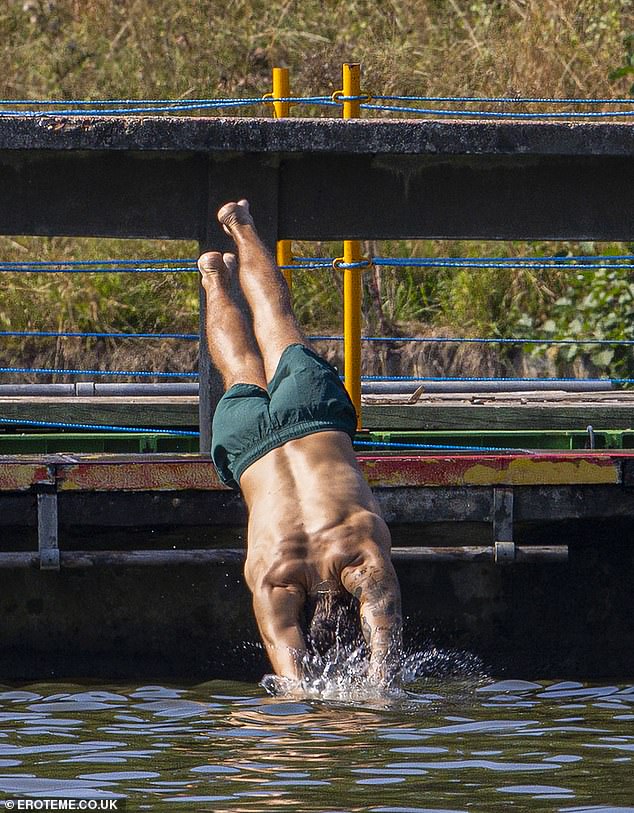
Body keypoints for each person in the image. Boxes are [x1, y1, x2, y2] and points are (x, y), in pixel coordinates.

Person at [198, 199, 402, 684]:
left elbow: (385, 647)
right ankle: (212, 278)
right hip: (249, 446)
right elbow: (292, 684)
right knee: (238, 370)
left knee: (276, 323)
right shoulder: (275, 577)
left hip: (314, 422)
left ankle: (240, 226)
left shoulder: (363, 554)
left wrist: (377, 684)